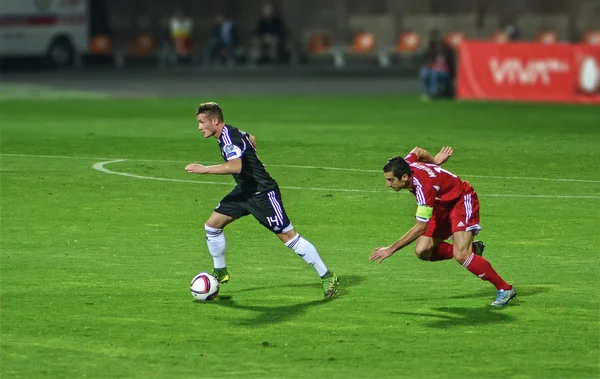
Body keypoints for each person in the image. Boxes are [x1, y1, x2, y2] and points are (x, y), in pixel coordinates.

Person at [185, 102, 339, 298]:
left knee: (288, 237)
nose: (199, 127)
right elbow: (251, 138)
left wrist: (205, 169)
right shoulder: (231, 132)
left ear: (214, 121)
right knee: (212, 226)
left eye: (201, 122)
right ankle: (220, 271)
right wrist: (252, 159)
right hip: (244, 191)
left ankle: (327, 276)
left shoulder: (228, 137)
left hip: (263, 193)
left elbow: (235, 166)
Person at [370, 146, 516, 306]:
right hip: (440, 206)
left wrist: (391, 249)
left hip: (460, 200)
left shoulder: (424, 189)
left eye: (391, 180)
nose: (388, 184)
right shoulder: (408, 163)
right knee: (422, 251)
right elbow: (418, 151)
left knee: (461, 255)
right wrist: (435, 163)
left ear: (404, 177)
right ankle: (473, 250)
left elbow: (420, 227)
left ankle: (505, 288)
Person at [420, 35, 455, 100]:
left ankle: (433, 93)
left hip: (444, 73)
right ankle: (427, 92)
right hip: (433, 70)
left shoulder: (447, 52)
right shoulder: (432, 52)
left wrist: (453, 76)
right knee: (424, 72)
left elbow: (451, 65)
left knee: (434, 73)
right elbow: (427, 61)